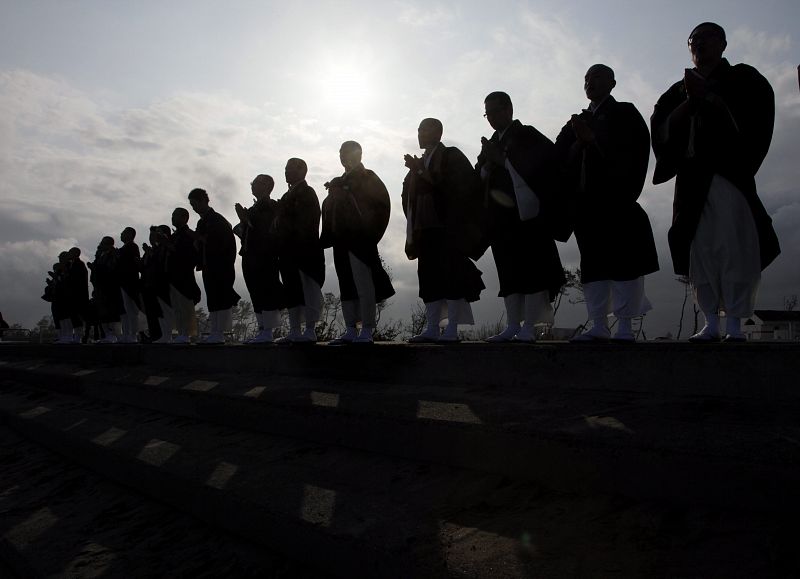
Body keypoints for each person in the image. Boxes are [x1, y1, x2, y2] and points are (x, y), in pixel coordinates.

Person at [651, 22, 780, 342]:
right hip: (692, 180)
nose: (699, 44)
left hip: (728, 174)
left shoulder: (744, 79)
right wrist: (689, 102)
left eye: (706, 38)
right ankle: (710, 320)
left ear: (722, 44)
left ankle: (735, 323)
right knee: (701, 250)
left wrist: (710, 98)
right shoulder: (676, 90)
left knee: (736, 247)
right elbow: (662, 129)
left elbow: (755, 122)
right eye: (693, 40)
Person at [554, 65, 659, 342]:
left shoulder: (624, 112)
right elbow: (558, 156)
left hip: (616, 199)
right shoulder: (577, 120)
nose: (591, 82)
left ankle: (625, 326)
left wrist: (594, 141)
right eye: (587, 78)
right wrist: (579, 143)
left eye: (598, 77)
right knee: (593, 267)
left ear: (612, 83)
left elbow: (634, 150)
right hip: (585, 205)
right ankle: (598, 324)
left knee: (625, 265)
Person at [476, 91, 566, 343]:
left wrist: (504, 161)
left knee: (532, 270)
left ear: (509, 109)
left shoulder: (527, 135)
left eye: (494, 111)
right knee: (509, 272)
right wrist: (487, 165)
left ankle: (531, 325)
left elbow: (546, 166)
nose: (491, 118)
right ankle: (513, 324)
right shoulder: (492, 141)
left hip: (527, 216)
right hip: (500, 218)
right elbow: (478, 175)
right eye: (487, 114)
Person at [402, 118, 485, 342]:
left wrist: (421, 172)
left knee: (452, 277)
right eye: (418, 129)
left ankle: (452, 329)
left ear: (438, 132)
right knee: (428, 279)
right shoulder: (421, 160)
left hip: (448, 227)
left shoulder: (451, 155)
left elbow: (463, 186)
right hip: (424, 228)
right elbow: (409, 195)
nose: (420, 133)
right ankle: (431, 328)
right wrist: (416, 172)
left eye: (425, 129)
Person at [322, 141, 395, 345]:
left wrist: (369, 233)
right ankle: (350, 328)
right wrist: (332, 197)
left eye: (347, 151)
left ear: (359, 154)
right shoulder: (339, 181)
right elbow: (330, 207)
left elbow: (381, 205)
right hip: (341, 239)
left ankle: (368, 329)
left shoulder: (368, 177)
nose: (343, 156)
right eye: (341, 152)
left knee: (364, 284)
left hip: (360, 239)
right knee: (346, 284)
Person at [274, 158, 325, 344]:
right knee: (292, 290)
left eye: (290, 169)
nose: (286, 172)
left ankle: (310, 329)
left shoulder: (307, 192)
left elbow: (308, 222)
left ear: (302, 170)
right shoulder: (287, 195)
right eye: (285, 169)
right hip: (287, 251)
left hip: (305, 249)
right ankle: (295, 329)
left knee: (308, 288)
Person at [234, 174, 283, 344]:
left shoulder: (271, 206)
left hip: (265, 254)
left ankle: (268, 330)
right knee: (254, 290)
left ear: (267, 186)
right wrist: (244, 222)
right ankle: (262, 328)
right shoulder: (254, 208)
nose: (253, 185)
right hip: (250, 254)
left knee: (266, 290)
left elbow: (267, 230)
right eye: (253, 183)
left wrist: (245, 220)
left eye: (257, 183)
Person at [188, 188, 241, 344]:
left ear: (204, 201)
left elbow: (224, 244)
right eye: (192, 205)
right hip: (208, 265)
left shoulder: (218, 220)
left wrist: (201, 239)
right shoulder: (202, 221)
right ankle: (215, 331)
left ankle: (220, 332)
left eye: (195, 203)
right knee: (212, 298)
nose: (194, 208)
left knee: (221, 297)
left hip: (221, 265)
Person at [167, 207, 201, 344]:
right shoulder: (174, 236)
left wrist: (170, 247)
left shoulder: (188, 234)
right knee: (177, 306)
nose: (173, 218)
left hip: (184, 274)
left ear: (184, 218)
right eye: (172, 215)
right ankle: (180, 332)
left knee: (185, 305)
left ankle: (187, 333)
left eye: (175, 215)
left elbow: (189, 254)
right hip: (173, 275)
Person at [88, 236, 124, 343]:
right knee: (102, 313)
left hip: (110, 287)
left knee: (112, 312)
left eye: (103, 243)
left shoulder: (114, 254)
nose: (101, 245)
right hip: (100, 287)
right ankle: (106, 334)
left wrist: (99, 268)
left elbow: (112, 268)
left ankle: (114, 335)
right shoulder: (99, 255)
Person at [117, 227, 143, 343]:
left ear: (130, 234)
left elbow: (133, 263)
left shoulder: (132, 246)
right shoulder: (123, 248)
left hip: (130, 281)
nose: (121, 235)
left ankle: (133, 334)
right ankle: (126, 333)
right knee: (125, 310)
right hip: (122, 281)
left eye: (123, 233)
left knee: (132, 310)